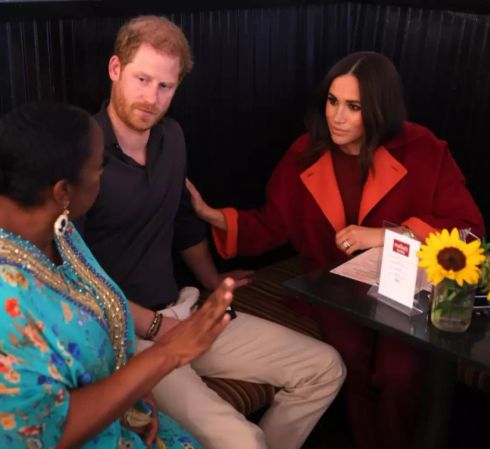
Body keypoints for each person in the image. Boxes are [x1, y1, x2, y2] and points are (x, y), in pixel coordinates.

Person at [0, 102, 236, 449]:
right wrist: (166, 356)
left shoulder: (43, 220)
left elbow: (92, 299)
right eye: (99, 167)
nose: (104, 174)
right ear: (63, 190)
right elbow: (45, 436)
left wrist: (133, 387)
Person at [187, 52, 485, 449]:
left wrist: (380, 236)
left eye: (353, 106)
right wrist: (217, 218)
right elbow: (274, 223)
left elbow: (468, 230)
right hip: (333, 290)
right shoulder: (304, 152)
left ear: (379, 109)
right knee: (350, 358)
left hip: (406, 291)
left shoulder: (424, 149)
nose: (336, 117)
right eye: (332, 101)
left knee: (399, 371)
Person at [77, 16, 346, 449]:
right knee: (244, 440)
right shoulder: (83, 152)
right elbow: (76, 277)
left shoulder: (173, 137)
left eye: (165, 86)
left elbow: (183, 223)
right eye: (141, 79)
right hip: (129, 339)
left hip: (185, 311)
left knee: (325, 368)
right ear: (114, 69)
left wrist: (212, 282)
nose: (151, 98)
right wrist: (157, 328)